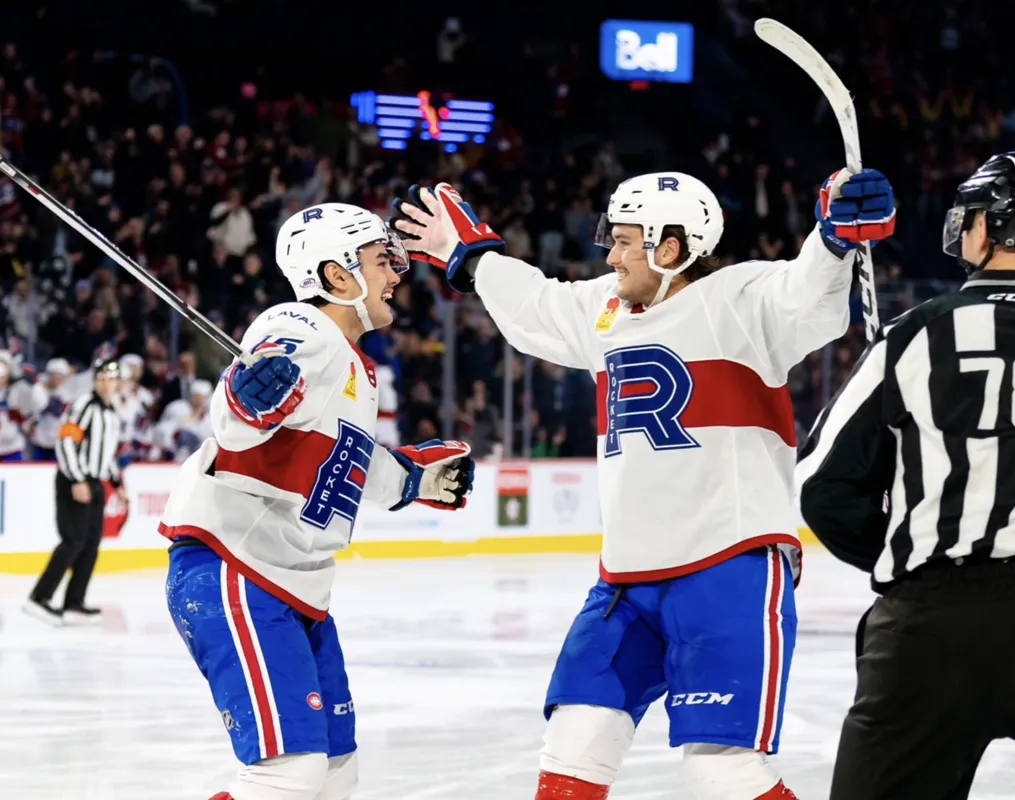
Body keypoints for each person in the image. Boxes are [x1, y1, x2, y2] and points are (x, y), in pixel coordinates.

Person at [391, 169, 896, 800]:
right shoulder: (606, 309)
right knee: (570, 754)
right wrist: (473, 258)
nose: (611, 252)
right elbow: (537, 306)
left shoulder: (743, 301)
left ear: (672, 247)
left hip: (728, 567)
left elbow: (807, 290)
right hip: (625, 581)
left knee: (723, 770)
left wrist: (834, 236)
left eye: (626, 239)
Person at [159, 203, 476, 800]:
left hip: (295, 585)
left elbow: (347, 462)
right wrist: (249, 397)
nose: (396, 274)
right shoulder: (303, 327)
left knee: (334, 770)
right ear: (337, 276)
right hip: (238, 570)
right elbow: (237, 422)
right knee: (288, 773)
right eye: (383, 261)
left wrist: (412, 479)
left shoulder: (357, 367)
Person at [796, 152, 1015, 799]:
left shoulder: (912, 334)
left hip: (933, 628)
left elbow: (821, 485)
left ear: (986, 229)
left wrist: (904, 547)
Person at [24, 357, 125, 626]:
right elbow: (66, 441)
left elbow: (106, 453)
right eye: (102, 378)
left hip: (95, 483)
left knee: (90, 544)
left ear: (118, 383)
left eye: (111, 379)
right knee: (73, 540)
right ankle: (39, 597)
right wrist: (77, 478)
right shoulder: (85, 405)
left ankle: (74, 602)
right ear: (95, 380)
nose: (106, 384)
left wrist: (116, 483)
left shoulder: (111, 411)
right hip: (74, 480)